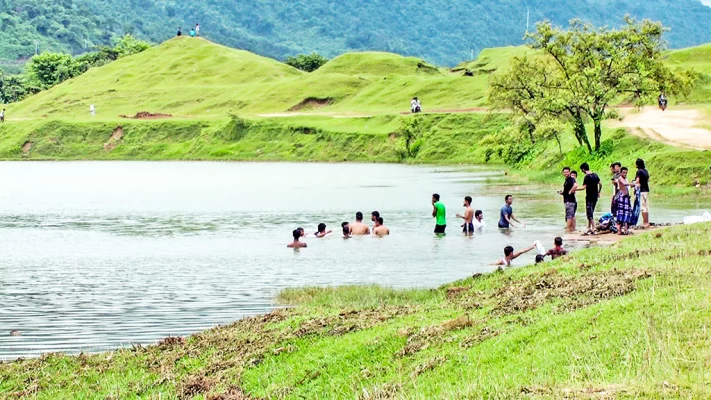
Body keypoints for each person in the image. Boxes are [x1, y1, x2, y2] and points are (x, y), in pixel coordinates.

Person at [578, 163, 602, 235]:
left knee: (589, 212)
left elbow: (583, 187)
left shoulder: (587, 177)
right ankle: (588, 226)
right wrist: (599, 192)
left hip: (589, 196)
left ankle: (594, 228)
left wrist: (574, 189)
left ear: (583, 169)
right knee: (591, 211)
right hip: (595, 196)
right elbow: (600, 184)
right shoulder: (595, 175)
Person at [559, 167, 578, 233]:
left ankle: (568, 230)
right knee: (571, 215)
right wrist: (562, 193)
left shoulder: (571, 179)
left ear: (569, 172)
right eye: (564, 172)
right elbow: (566, 191)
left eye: (567, 172)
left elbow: (575, 185)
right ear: (563, 173)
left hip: (570, 201)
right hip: (568, 200)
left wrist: (570, 191)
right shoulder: (567, 180)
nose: (565, 173)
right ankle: (572, 229)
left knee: (569, 216)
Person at [615, 167, 633, 235]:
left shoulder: (626, 179)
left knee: (627, 213)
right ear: (620, 173)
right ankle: (619, 230)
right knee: (621, 213)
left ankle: (626, 229)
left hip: (626, 197)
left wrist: (632, 185)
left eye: (626, 173)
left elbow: (627, 186)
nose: (625, 174)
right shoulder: (620, 178)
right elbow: (625, 184)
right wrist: (634, 184)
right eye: (623, 173)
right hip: (622, 197)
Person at [635, 158, 651, 227]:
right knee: (646, 206)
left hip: (641, 190)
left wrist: (635, 186)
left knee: (642, 207)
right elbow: (648, 180)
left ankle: (644, 222)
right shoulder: (645, 171)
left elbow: (637, 181)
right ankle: (647, 221)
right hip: (646, 189)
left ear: (637, 164)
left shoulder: (639, 171)